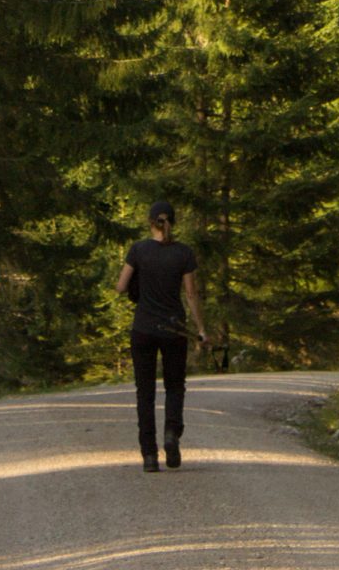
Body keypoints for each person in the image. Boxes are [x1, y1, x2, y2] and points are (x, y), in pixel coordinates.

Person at [116, 198, 207, 472]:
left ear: (150, 221)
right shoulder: (184, 253)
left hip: (143, 329)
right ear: (172, 222)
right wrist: (201, 329)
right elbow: (190, 294)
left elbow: (120, 287)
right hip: (174, 329)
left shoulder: (138, 250)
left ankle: (149, 456)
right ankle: (171, 433)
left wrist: (137, 287)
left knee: (145, 393)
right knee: (175, 387)